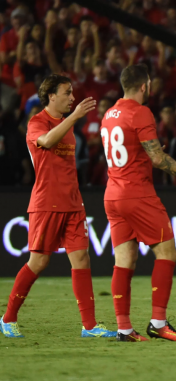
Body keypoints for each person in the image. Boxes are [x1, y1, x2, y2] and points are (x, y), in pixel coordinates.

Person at [1, 74, 116, 338]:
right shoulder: (37, 122)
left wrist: (72, 119)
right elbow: (46, 142)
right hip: (46, 204)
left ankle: (89, 327)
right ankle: (7, 318)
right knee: (39, 262)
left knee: (81, 258)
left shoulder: (67, 124)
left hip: (73, 203)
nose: (72, 98)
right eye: (67, 93)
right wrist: (75, 117)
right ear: (51, 96)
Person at [101, 64, 176, 342]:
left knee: (124, 260)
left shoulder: (109, 114)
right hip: (137, 194)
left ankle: (124, 329)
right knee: (167, 253)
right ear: (143, 86)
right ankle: (159, 323)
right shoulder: (141, 112)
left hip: (112, 194)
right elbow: (158, 159)